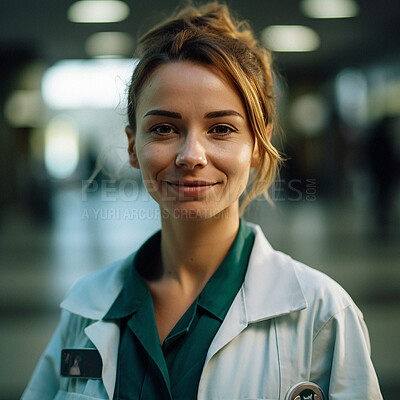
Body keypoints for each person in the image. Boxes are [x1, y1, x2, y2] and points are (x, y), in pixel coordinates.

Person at [23, 2, 383, 399]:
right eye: (164, 128)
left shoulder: (321, 315)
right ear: (132, 146)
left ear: (258, 148)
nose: (191, 155)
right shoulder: (87, 308)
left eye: (222, 128)